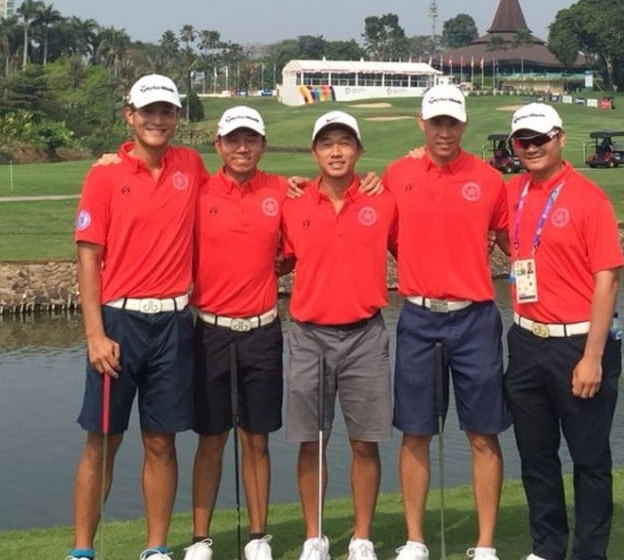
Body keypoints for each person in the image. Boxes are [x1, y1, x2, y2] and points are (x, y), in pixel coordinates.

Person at [69, 73, 208, 560]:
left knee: (161, 442)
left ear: (176, 117)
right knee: (102, 441)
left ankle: (155, 548)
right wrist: (94, 334)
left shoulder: (190, 165)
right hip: (119, 323)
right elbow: (88, 256)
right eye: (148, 111)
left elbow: (232, 193)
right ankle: (83, 550)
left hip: (172, 322)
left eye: (166, 111)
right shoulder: (104, 175)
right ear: (130, 116)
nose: (157, 119)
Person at [383, 84, 510, 560]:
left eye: (451, 123)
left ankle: (484, 545)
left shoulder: (490, 179)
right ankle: (415, 540)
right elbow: (390, 236)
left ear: (463, 125)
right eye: (435, 123)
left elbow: (507, 239)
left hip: (475, 318)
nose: (443, 132)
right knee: (415, 431)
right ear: (421, 123)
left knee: (483, 433)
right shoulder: (398, 174)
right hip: (418, 317)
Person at [498, 103, 624, 560]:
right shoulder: (512, 192)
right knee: (536, 457)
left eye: (540, 139)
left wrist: (592, 357)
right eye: (523, 141)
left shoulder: (590, 199)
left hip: (579, 341)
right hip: (527, 340)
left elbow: (607, 280)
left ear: (560, 138)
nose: (531, 148)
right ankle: (547, 548)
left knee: (589, 459)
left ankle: (590, 553)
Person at [281, 110, 397, 560]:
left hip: (365, 335)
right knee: (312, 440)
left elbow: (413, 244)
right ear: (314, 152)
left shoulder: (382, 200)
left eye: (345, 142)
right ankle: (315, 536)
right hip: (309, 335)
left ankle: (362, 537)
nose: (336, 151)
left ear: (359, 151)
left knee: (364, 441)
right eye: (327, 143)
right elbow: (278, 257)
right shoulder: (292, 202)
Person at [183, 106, 288, 560]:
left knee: (256, 438)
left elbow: (296, 247)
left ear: (262, 145)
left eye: (251, 140)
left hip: (262, 330)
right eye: (234, 140)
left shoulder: (282, 190)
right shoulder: (199, 191)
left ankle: (258, 536)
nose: (242, 148)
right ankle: (200, 538)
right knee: (211, 438)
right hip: (210, 330)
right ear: (219, 145)